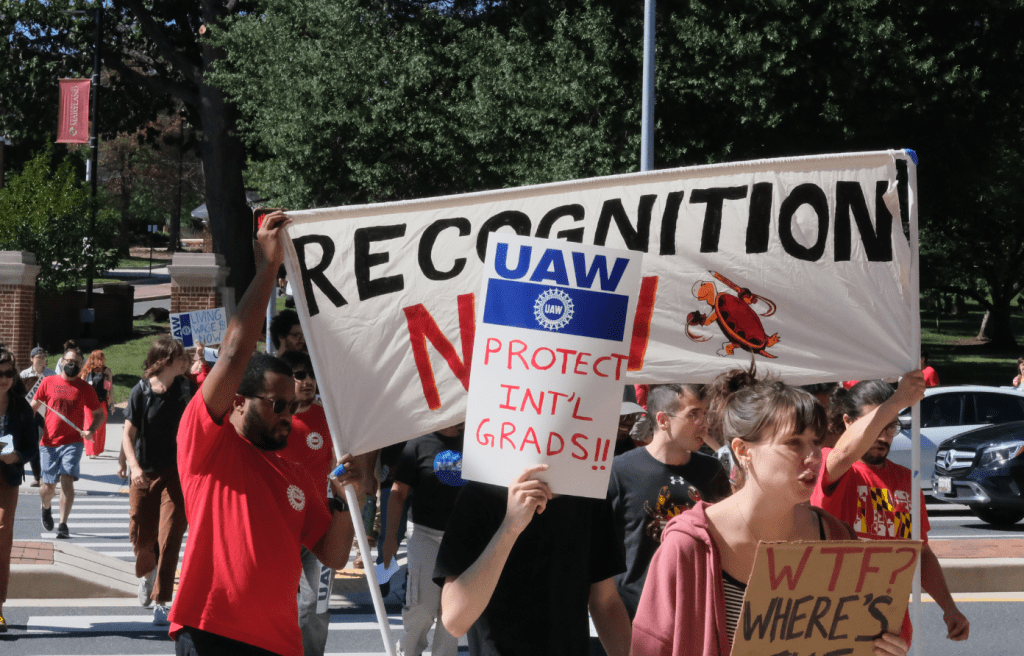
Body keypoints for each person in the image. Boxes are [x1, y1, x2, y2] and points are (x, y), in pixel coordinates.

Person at [167, 210, 365, 656]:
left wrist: (349, 495)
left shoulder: (295, 473)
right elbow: (236, 351)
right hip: (210, 631)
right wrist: (269, 266)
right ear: (238, 401)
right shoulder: (208, 444)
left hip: (281, 644)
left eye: (292, 407)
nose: (289, 417)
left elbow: (333, 554)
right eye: (277, 405)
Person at [632, 366, 911, 656]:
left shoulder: (837, 538)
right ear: (742, 450)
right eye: (793, 443)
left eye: (816, 442)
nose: (813, 457)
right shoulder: (688, 548)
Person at [813, 373, 970, 645]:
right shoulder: (832, 464)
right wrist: (897, 401)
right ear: (848, 422)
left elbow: (920, 552)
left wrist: (949, 607)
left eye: (890, 427)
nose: (883, 436)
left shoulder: (907, 481)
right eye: (875, 424)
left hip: (889, 633)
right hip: (831, 629)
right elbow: (842, 455)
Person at [434, 464, 631, 656]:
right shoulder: (478, 495)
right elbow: (455, 621)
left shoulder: (589, 494)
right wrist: (510, 527)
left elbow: (605, 602)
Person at [606, 383, 730, 620]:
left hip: (697, 614)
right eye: (693, 414)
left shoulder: (712, 470)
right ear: (662, 420)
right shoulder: (620, 471)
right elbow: (603, 551)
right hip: (636, 616)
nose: (704, 423)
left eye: (705, 413)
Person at [117, 337, 194, 625]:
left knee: (171, 536)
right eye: (179, 357)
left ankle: (162, 601)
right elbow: (127, 435)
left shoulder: (187, 389)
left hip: (177, 474)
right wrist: (132, 466)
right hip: (145, 472)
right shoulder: (141, 391)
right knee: (141, 533)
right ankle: (148, 575)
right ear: (164, 361)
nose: (184, 361)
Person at [381, 424, 465, 656]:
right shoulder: (418, 444)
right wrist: (390, 539)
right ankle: (407, 651)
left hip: (462, 539)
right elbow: (398, 493)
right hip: (424, 533)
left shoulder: (478, 442)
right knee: (422, 608)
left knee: (452, 613)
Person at [277, 350, 337, 656]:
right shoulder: (271, 419)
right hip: (278, 529)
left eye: (311, 375)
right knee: (281, 605)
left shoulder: (329, 419)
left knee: (316, 606)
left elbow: (337, 469)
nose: (308, 381)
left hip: (319, 529)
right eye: (300, 375)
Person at [31, 348, 104, 540]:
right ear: (62, 361)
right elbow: (34, 405)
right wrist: (23, 425)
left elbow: (99, 414)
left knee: (67, 480)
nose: (72, 365)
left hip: (73, 441)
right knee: (47, 487)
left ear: (81, 365)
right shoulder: (48, 382)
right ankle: (46, 507)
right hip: (48, 442)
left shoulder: (85, 388)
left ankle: (63, 524)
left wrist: (90, 430)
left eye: (77, 363)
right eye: (69, 361)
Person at [1, 349, 39, 633]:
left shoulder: (20, 407)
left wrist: (16, 457)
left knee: (2, 536)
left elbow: (31, 447)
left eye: (9, 373)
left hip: (7, 476)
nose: (4, 378)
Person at [20, 346, 54, 487]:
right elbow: (20, 394)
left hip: (47, 413)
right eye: (38, 357)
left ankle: (48, 474)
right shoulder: (24, 375)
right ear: (31, 359)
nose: (41, 359)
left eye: (43, 357)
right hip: (31, 413)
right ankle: (37, 476)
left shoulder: (51, 374)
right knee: (33, 444)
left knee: (46, 444)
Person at [80, 350, 113, 458]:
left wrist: (111, 401)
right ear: (96, 359)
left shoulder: (106, 371)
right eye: (102, 358)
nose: (104, 360)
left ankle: (97, 449)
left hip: (102, 400)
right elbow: (81, 387)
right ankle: (91, 451)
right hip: (89, 402)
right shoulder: (86, 371)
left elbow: (108, 387)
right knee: (89, 424)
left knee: (101, 426)